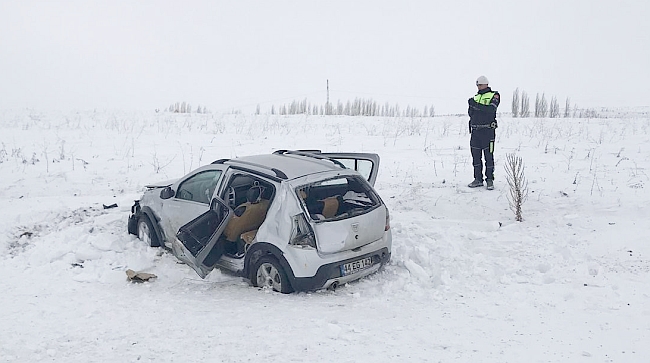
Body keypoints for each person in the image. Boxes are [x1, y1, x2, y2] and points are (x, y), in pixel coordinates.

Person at [467, 75, 500, 190]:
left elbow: (490, 110)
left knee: (488, 156)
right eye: (477, 85)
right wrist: (476, 108)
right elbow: (471, 113)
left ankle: (489, 179)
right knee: (476, 157)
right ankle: (478, 179)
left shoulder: (494, 95)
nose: (478, 87)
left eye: (480, 85)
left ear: (486, 84)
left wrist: (475, 106)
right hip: (475, 132)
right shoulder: (475, 97)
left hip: (488, 131)